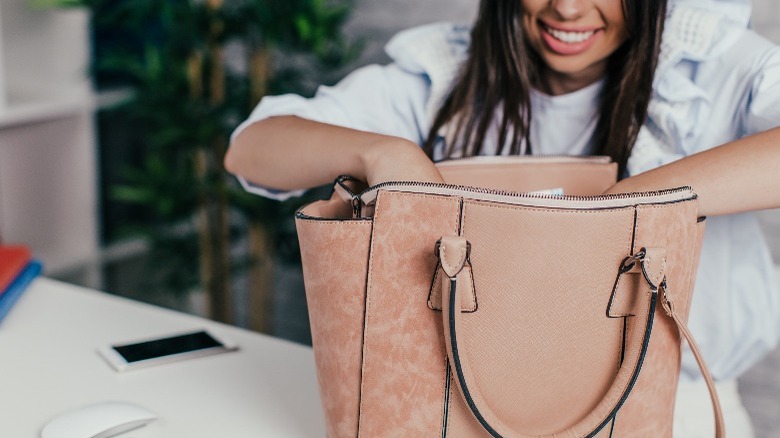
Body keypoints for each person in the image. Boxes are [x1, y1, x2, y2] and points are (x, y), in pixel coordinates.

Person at [225, 0, 780, 435]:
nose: (568, 9)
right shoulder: (446, 74)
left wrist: (638, 198)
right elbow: (250, 149)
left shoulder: (707, 67)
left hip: (667, 408)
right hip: (449, 406)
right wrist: (383, 152)